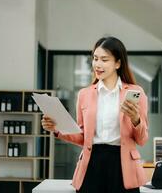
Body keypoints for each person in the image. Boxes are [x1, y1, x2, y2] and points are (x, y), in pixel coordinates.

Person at [41, 36, 149, 193]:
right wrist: (57, 128)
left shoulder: (135, 92)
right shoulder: (84, 94)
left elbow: (142, 139)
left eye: (104, 60)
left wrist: (136, 120)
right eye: (95, 58)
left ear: (118, 63)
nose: (97, 64)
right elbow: (82, 137)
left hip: (123, 166)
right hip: (91, 165)